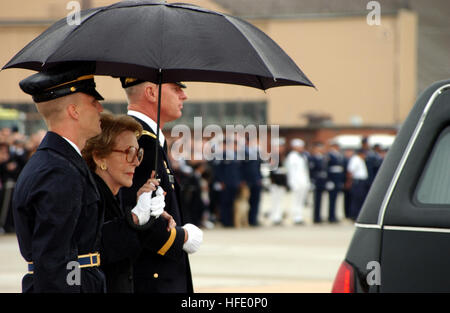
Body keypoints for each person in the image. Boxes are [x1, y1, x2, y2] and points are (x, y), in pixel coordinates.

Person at [12, 64, 106, 292]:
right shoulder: (59, 171)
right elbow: (54, 262)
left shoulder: (55, 161)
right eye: (93, 102)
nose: (101, 109)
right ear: (74, 111)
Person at [119, 77, 203, 293]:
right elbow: (138, 220)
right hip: (153, 280)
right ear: (151, 92)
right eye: (176, 89)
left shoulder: (150, 140)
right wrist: (182, 237)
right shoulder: (142, 142)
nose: (184, 95)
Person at [82, 113, 176, 292]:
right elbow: (93, 249)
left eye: (138, 153)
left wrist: (149, 217)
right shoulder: (89, 197)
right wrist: (134, 218)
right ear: (100, 157)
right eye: (128, 152)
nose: (136, 162)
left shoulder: (115, 197)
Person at [284, 138, 310, 225]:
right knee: (295, 200)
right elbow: (291, 171)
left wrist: (307, 182)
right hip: (296, 182)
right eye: (299, 146)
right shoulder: (292, 157)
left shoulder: (302, 156)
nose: (301, 148)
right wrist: (292, 182)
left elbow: (305, 170)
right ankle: (295, 217)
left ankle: (299, 216)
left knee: (301, 200)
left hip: (303, 182)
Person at [346, 148, 369, 220]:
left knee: (360, 198)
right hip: (357, 182)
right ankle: (354, 215)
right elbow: (350, 171)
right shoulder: (355, 159)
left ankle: (358, 214)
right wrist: (349, 182)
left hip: (362, 182)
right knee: (356, 198)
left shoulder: (360, 160)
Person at [326, 142, 346, 223]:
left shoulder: (339, 155)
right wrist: (329, 180)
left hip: (338, 179)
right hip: (332, 178)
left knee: (336, 199)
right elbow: (326, 168)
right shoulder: (329, 155)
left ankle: (334, 215)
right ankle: (330, 216)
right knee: (331, 199)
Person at [309, 142, 328, 224]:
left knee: (321, 200)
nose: (320, 149)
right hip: (316, 180)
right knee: (316, 200)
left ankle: (319, 216)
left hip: (322, 181)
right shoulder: (313, 158)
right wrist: (312, 180)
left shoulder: (323, 157)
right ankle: (316, 217)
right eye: (319, 148)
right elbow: (311, 170)